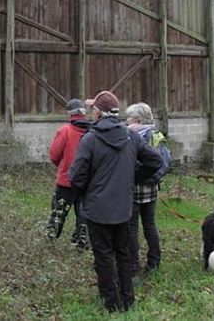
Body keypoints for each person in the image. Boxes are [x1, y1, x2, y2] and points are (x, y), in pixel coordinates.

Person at [69, 90, 162, 313]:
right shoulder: (131, 137)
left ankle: (110, 303)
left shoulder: (90, 139)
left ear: (99, 113)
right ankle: (127, 300)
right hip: (123, 209)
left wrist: (89, 191)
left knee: (103, 256)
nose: (92, 115)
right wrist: (132, 178)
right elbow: (154, 161)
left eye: (94, 111)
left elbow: (75, 177)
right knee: (123, 254)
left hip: (97, 210)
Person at [46, 98, 92, 250]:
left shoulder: (65, 131)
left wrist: (62, 165)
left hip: (66, 181)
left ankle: (51, 237)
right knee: (84, 214)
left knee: (59, 211)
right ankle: (80, 242)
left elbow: (54, 155)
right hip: (87, 182)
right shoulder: (93, 132)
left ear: (70, 114)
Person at [126, 102, 163, 278]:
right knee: (150, 225)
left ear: (138, 119)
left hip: (134, 188)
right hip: (151, 189)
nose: (126, 121)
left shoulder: (131, 136)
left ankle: (133, 265)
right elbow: (160, 162)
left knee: (132, 228)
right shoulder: (156, 135)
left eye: (129, 117)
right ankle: (154, 261)